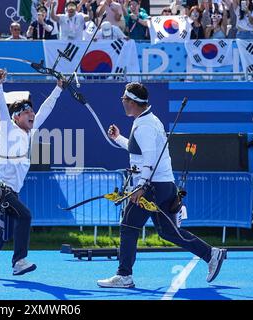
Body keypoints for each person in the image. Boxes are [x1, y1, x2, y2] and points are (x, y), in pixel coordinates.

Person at [96, 82, 227, 288]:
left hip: (152, 188)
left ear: (133, 102)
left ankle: (124, 276)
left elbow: (148, 159)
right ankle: (211, 254)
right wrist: (118, 138)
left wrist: (140, 186)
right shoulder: (147, 120)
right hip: (164, 185)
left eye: (124, 99)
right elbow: (138, 151)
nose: (122, 102)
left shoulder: (145, 125)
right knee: (168, 232)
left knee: (128, 227)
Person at [0, 69, 63, 278]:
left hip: (8, 189)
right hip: (0, 187)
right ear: (16, 117)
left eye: (32, 112)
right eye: (27, 112)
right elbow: (2, 108)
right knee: (25, 216)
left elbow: (46, 108)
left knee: (4, 232)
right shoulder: (8, 127)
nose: (32, 115)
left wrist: (58, 88)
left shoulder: (31, 131)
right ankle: (19, 261)